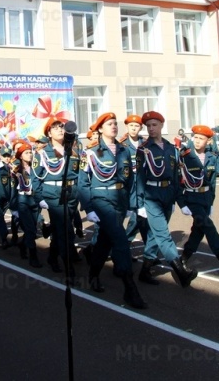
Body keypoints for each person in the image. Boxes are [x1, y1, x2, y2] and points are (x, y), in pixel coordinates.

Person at [78, 112, 146, 309]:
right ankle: (129, 288)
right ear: (100, 129)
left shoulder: (124, 150)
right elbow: (83, 183)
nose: (114, 126)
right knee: (121, 239)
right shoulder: (90, 152)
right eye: (109, 124)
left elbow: (131, 179)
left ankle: (93, 274)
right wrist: (88, 208)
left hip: (120, 200)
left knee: (104, 241)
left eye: (115, 124)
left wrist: (131, 204)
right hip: (101, 201)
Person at [135, 111, 195, 289]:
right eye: (148, 126)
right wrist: (139, 204)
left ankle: (145, 271)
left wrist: (181, 202)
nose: (151, 129)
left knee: (155, 235)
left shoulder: (171, 148)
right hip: (151, 195)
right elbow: (139, 177)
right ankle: (181, 272)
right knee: (163, 235)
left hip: (168, 193)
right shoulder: (143, 149)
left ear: (162, 125)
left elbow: (176, 177)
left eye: (154, 125)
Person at [179, 125, 219, 278]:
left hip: (205, 198)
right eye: (196, 137)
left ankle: (183, 259)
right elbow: (176, 182)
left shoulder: (212, 157)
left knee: (198, 231)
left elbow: (213, 183)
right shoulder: (185, 156)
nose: (198, 141)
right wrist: (182, 204)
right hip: (191, 198)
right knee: (208, 226)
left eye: (202, 138)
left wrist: (211, 203)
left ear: (208, 141)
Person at [33, 117, 82, 274]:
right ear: (49, 133)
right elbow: (35, 179)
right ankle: (69, 268)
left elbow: (78, 174)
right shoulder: (42, 153)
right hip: (54, 196)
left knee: (60, 229)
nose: (60, 130)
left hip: (72, 194)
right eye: (55, 128)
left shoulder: (73, 150)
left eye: (62, 127)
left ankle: (52, 257)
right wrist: (39, 198)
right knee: (66, 231)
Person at [10, 142, 42, 268]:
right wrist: (13, 207)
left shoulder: (37, 168)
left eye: (30, 152)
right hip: (23, 202)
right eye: (26, 153)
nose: (29, 155)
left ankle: (23, 245)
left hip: (35, 201)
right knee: (30, 230)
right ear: (21, 156)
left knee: (33, 230)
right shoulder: (16, 170)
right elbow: (13, 189)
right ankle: (33, 257)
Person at [120, 114, 149, 246]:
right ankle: (95, 248)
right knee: (117, 222)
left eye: (136, 126)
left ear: (141, 128)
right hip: (127, 187)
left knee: (141, 218)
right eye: (131, 125)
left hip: (142, 186)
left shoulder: (146, 144)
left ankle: (149, 253)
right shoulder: (122, 145)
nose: (133, 128)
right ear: (126, 126)